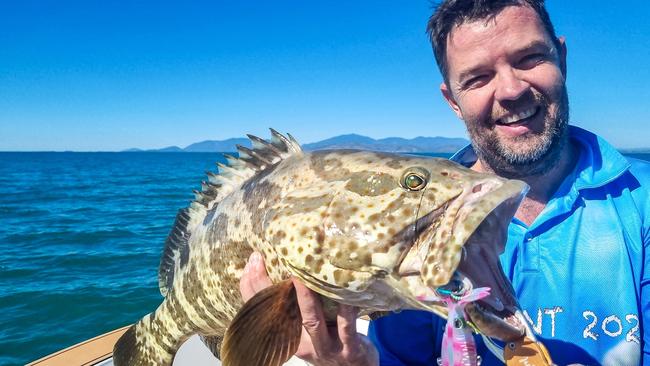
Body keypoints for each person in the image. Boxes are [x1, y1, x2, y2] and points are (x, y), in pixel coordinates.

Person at [240, 0, 649, 364]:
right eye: (477, 78)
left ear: (561, 59)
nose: (510, 89)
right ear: (452, 100)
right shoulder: (409, 231)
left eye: (529, 58)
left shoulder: (641, 201)